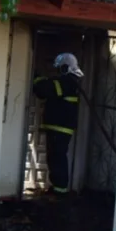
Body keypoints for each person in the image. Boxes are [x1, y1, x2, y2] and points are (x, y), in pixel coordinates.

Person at [32, 53, 83, 195]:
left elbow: (43, 90)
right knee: (54, 157)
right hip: (58, 126)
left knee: (58, 157)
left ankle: (60, 191)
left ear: (65, 67)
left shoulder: (67, 81)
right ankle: (57, 188)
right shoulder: (69, 80)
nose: (56, 71)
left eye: (59, 68)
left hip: (60, 126)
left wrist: (37, 77)